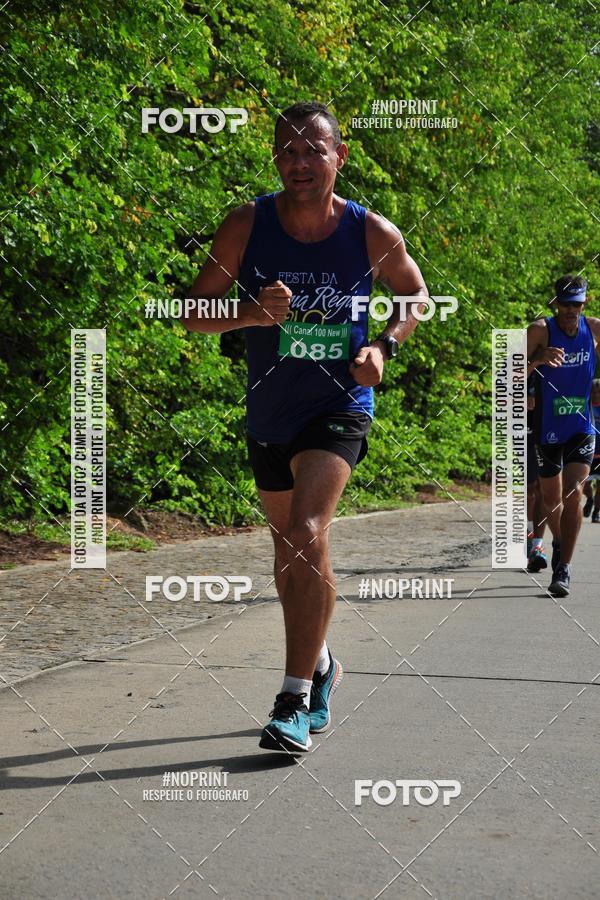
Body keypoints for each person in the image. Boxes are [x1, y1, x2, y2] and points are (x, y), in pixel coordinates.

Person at [184, 101, 429, 751]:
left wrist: (385, 347)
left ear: (338, 158)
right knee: (289, 553)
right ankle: (321, 663)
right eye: (288, 151)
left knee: (308, 531)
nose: (300, 163)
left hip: (338, 406)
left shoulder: (371, 231)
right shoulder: (246, 225)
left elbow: (414, 295)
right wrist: (252, 315)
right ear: (275, 160)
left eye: (313, 150)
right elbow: (190, 311)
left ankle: (291, 700)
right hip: (269, 412)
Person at [527, 275, 600, 596]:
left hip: (581, 428)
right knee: (549, 499)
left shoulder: (595, 329)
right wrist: (537, 360)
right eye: (565, 303)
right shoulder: (540, 330)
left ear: (585, 303)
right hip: (547, 428)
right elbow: (506, 373)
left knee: (574, 492)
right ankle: (557, 542)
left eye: (577, 304)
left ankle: (564, 569)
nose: (571, 310)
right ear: (555, 303)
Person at [526, 372, 547, 572]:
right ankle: (528, 532)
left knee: (541, 486)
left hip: (545, 427)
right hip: (520, 428)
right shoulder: (516, 356)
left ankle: (537, 545)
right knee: (528, 488)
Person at [582, 379, 600, 523]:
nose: (596, 394)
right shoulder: (585, 407)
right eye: (593, 392)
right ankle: (589, 499)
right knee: (584, 485)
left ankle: (596, 513)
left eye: (599, 392)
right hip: (587, 453)